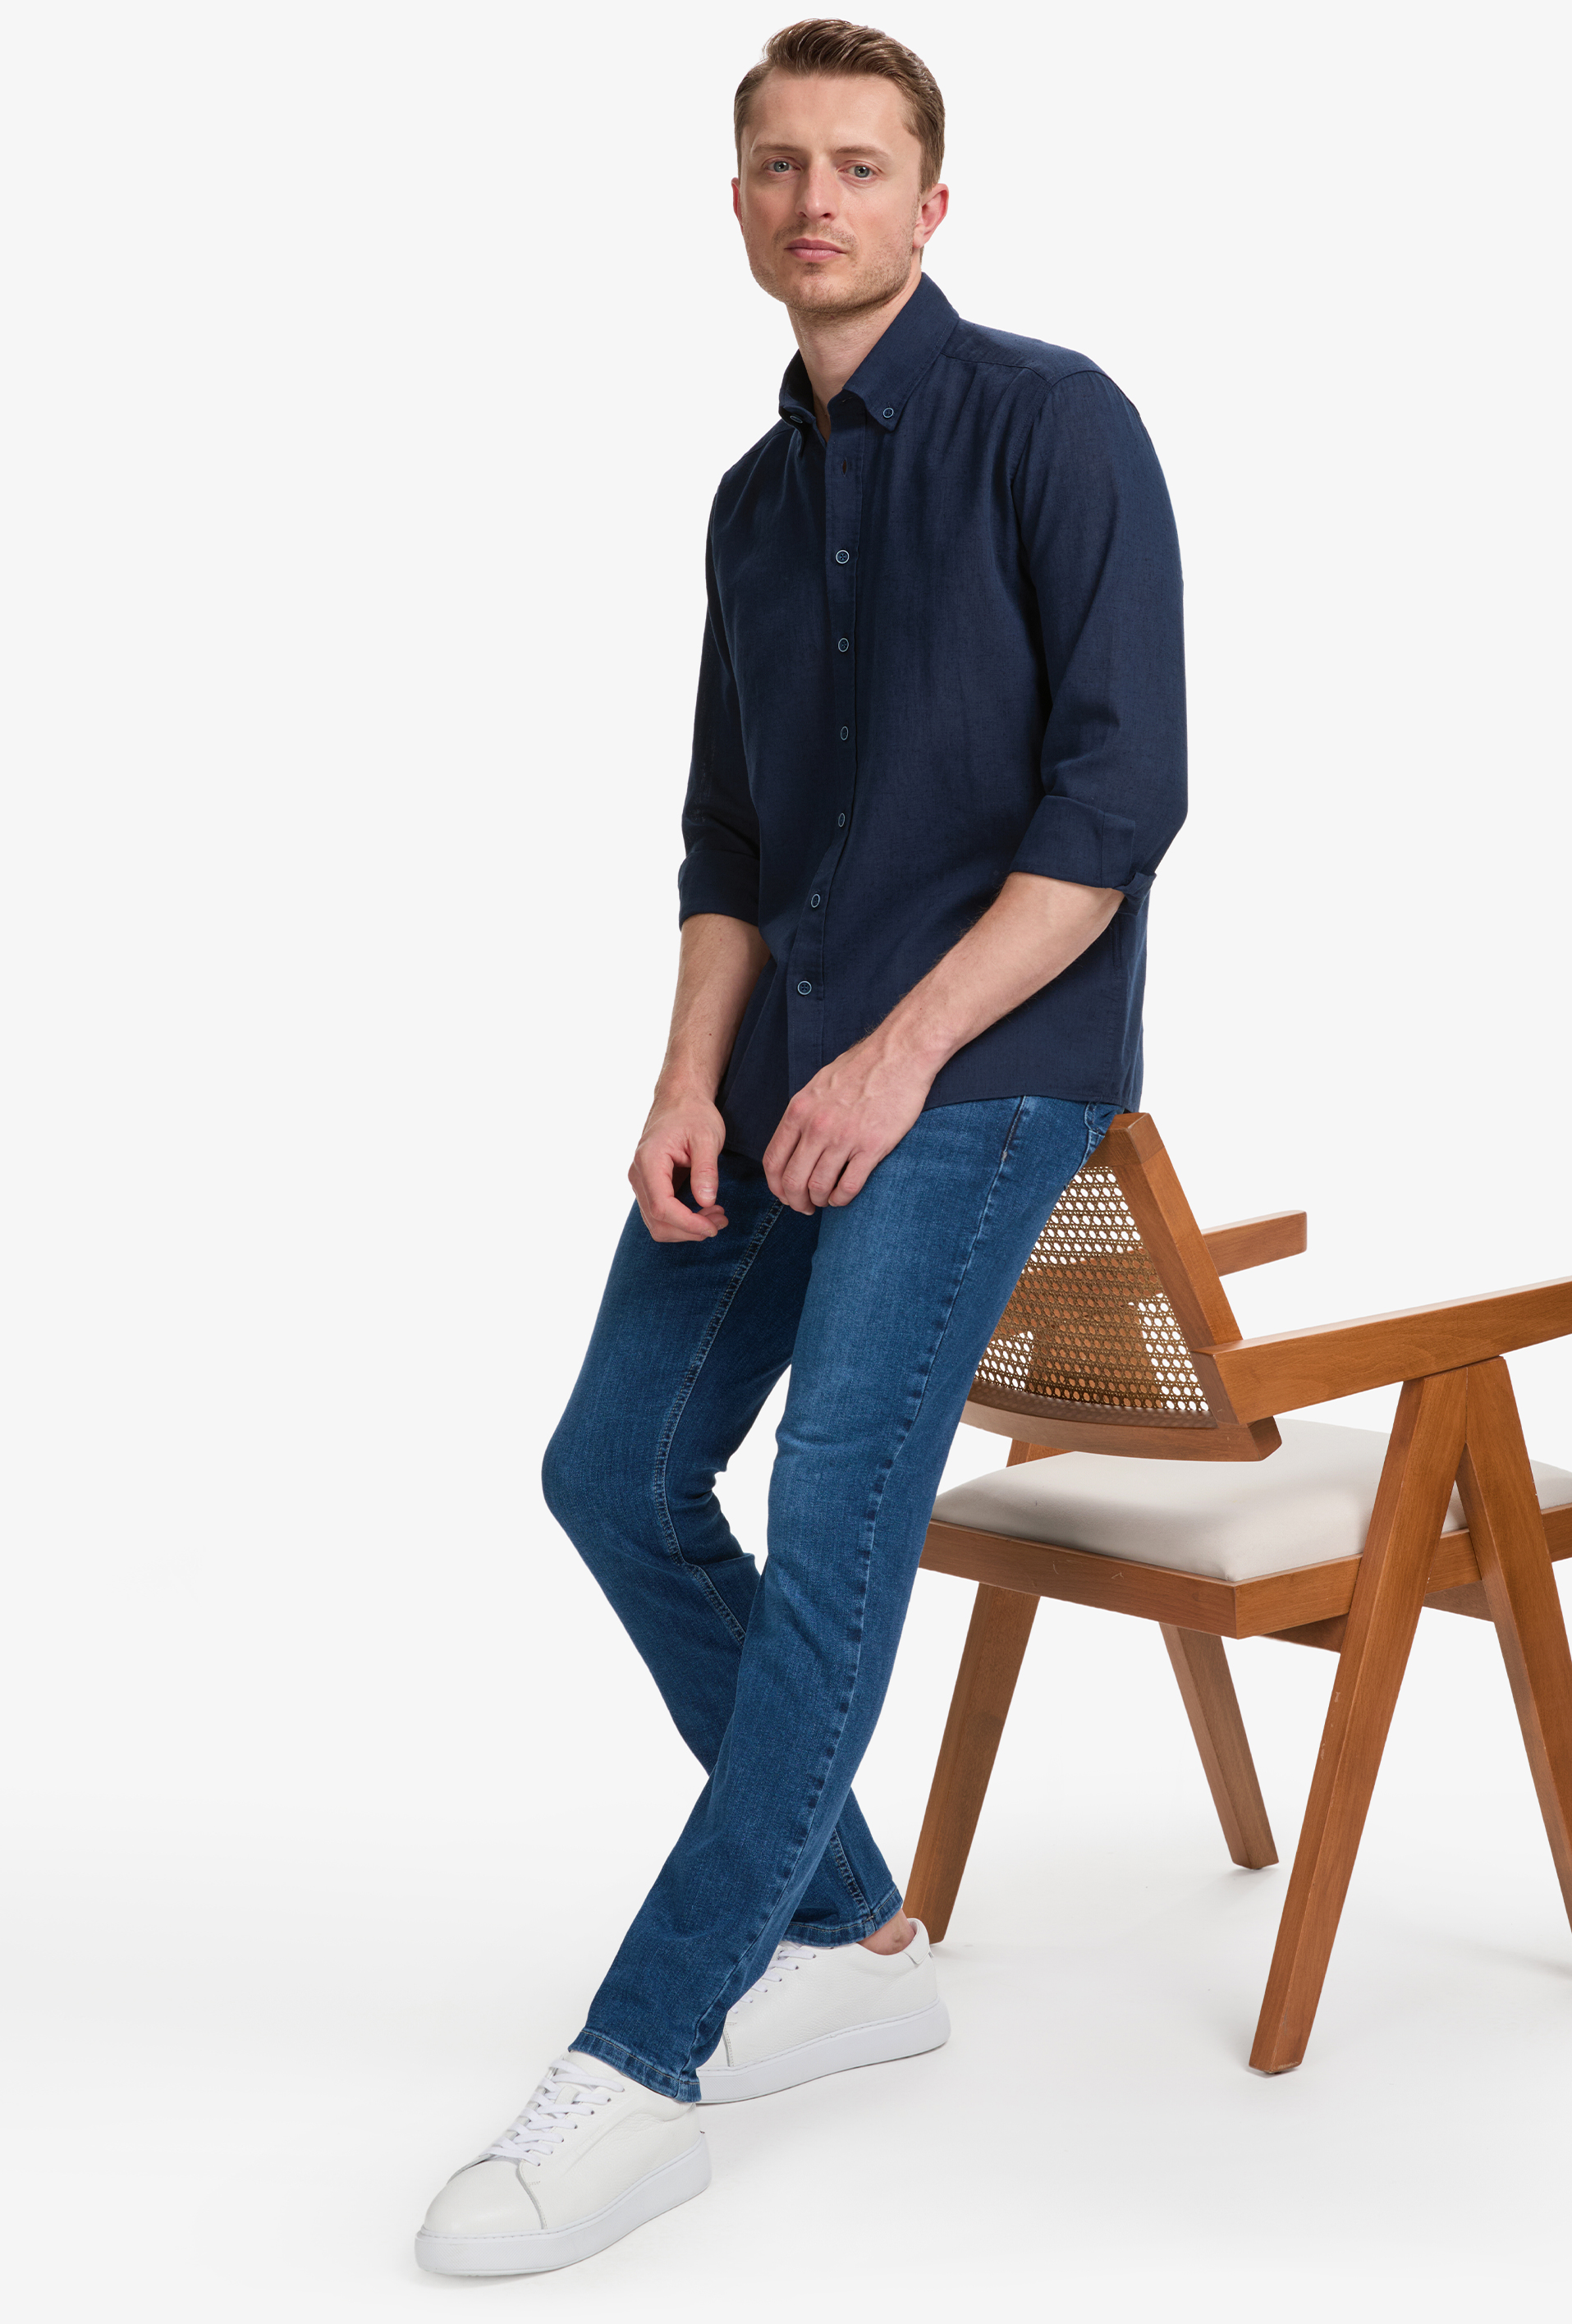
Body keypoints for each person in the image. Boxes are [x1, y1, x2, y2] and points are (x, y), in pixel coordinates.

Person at [415, 16, 1186, 2276]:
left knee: (833, 1519)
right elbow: (729, 842)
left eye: (857, 164)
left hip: (993, 1071)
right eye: (777, 164)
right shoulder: (750, 504)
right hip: (780, 1072)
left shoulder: (1054, 422)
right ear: (738, 202)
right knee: (612, 1472)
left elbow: (1118, 807)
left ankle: (642, 2060)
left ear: (931, 204)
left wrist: (896, 1062)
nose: (813, 199)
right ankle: (851, 1935)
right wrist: (693, 1081)